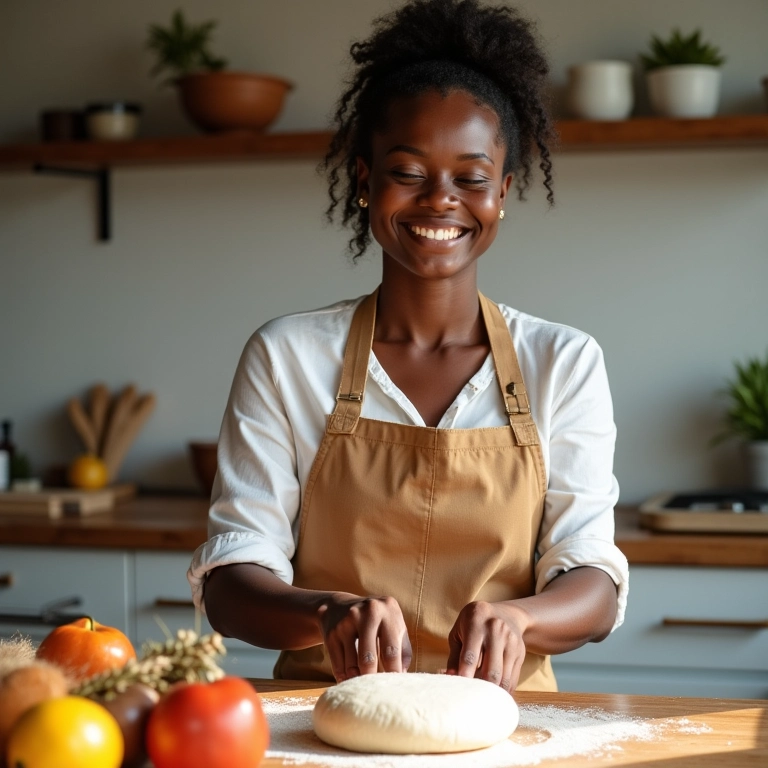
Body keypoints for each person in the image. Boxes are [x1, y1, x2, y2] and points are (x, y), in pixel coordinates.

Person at [188, 0, 628, 693]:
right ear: (365, 182)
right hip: (320, 720)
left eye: (471, 178)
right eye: (408, 171)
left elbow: (593, 582)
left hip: (502, 730)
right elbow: (232, 581)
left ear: (503, 192)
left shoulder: (563, 362)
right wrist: (326, 609)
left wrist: (519, 620)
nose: (440, 200)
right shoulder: (288, 355)